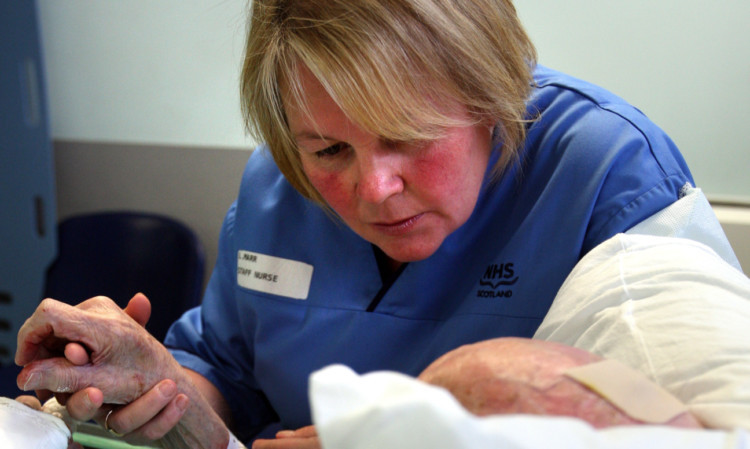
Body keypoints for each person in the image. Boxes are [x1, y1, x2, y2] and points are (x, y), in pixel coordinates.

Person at [13, 0, 741, 447]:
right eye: (329, 148)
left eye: (408, 134)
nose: (374, 189)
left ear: (490, 93)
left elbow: (690, 424)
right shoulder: (277, 185)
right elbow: (228, 371)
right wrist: (156, 388)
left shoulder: (602, 171)